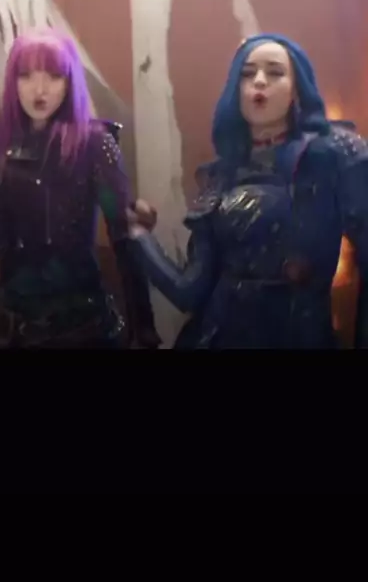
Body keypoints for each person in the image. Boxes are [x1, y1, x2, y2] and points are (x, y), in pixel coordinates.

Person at [128, 33, 368, 349]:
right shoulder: (221, 176)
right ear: (235, 89)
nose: (259, 81)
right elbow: (189, 292)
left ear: (297, 88)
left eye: (275, 72)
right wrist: (139, 237)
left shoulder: (335, 153)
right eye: (247, 73)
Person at [0, 29, 159, 349]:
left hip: (82, 318)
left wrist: (143, 329)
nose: (39, 89)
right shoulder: (0, 147)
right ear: (13, 82)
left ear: (70, 83)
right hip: (17, 320)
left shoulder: (94, 143)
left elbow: (125, 238)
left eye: (54, 76)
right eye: (26, 75)